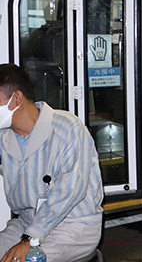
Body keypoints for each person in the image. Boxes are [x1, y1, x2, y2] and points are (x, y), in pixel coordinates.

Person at [0, 64, 103, 262]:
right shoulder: (5, 137)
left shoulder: (67, 128)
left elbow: (69, 192)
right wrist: (28, 234)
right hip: (25, 223)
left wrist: (31, 238)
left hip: (73, 226)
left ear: (17, 99)